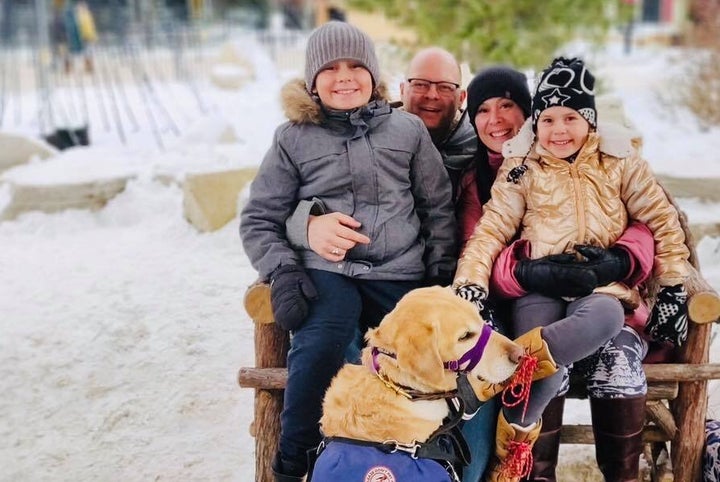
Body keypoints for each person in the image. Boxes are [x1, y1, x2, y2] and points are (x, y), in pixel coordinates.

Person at [453, 57, 691, 481]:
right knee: (551, 359)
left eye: (570, 117)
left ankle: (620, 473)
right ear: (535, 123)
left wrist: (672, 284)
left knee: (609, 329)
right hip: (538, 294)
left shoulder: (619, 163)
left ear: (591, 120)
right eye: (548, 119)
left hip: (603, 291)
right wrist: (470, 283)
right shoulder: (522, 167)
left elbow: (662, 222)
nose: (558, 130)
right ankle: (534, 473)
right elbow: (489, 232)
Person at [239, 22, 457, 481]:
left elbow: (436, 205)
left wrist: (439, 273)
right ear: (312, 80)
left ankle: (430, 457)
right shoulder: (293, 137)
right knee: (324, 336)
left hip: (399, 270)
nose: (344, 77)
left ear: (373, 76)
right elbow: (260, 216)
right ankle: (295, 454)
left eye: (356, 66)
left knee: (421, 355)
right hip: (328, 270)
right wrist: (282, 269)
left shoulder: (407, 131)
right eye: (330, 68)